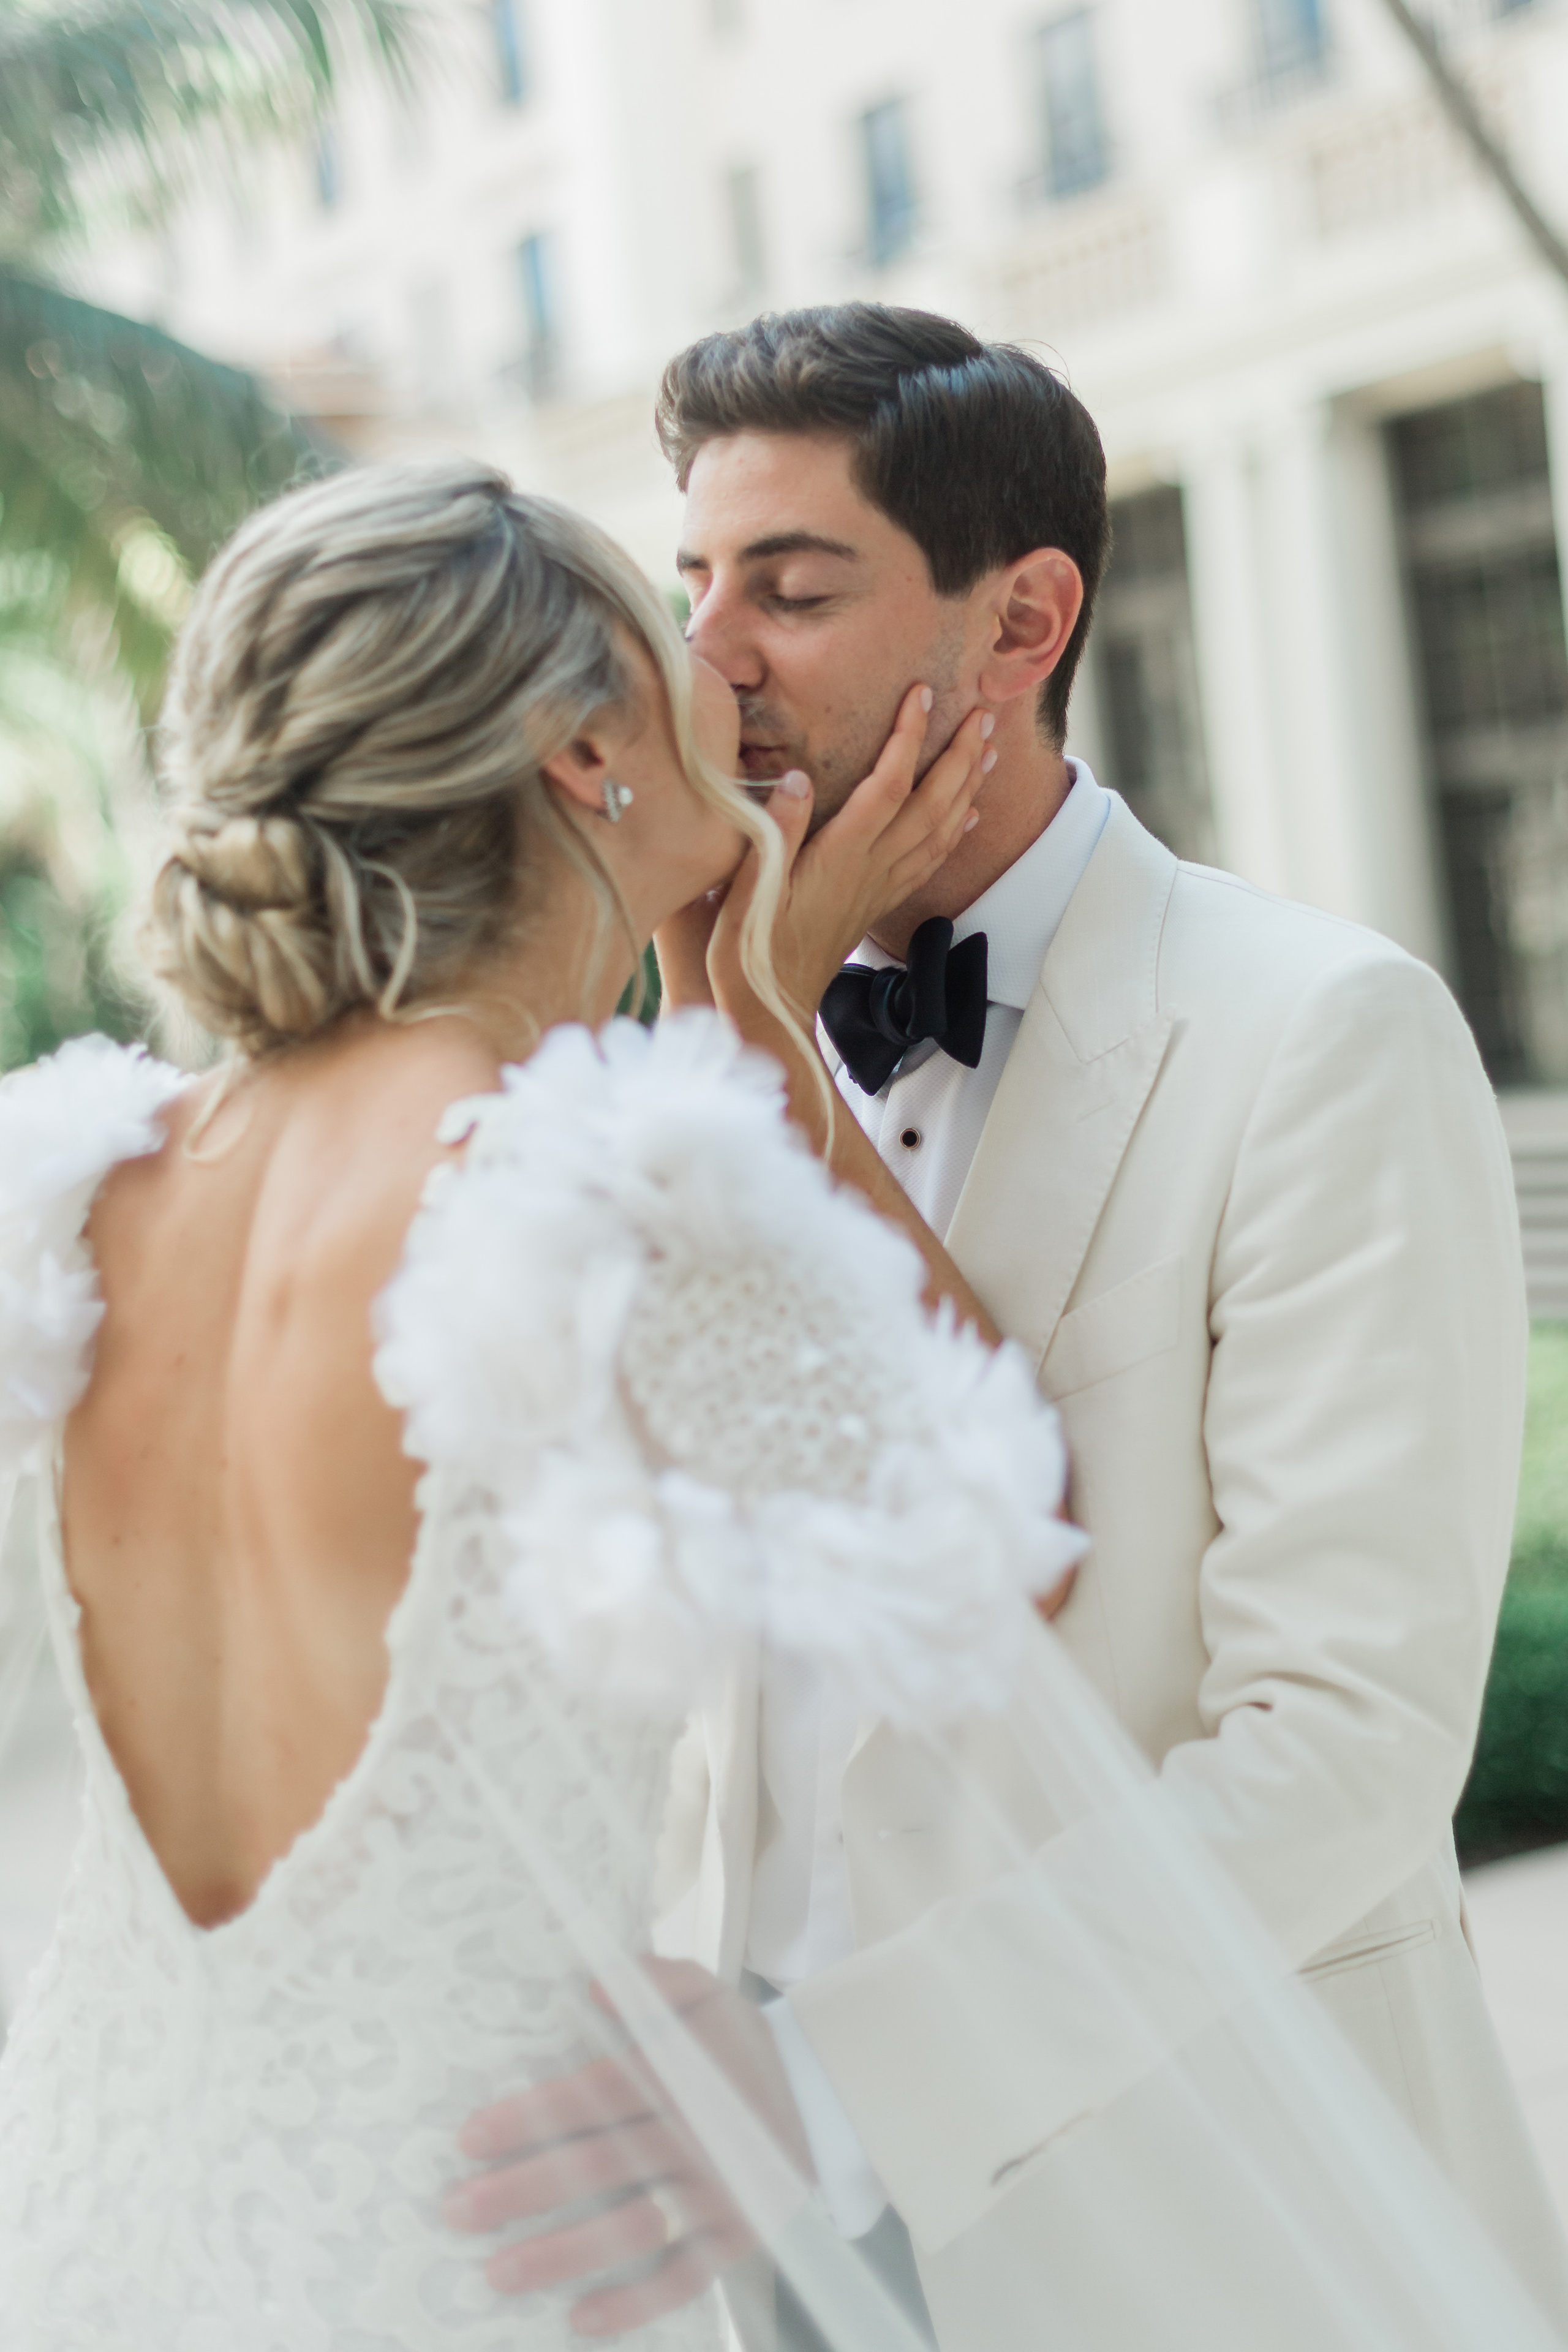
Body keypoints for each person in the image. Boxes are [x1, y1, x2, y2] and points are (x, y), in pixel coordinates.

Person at [456, 306, 1568, 2349]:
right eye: (693, 583)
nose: (710, 660)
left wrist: (837, 2089)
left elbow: (1343, 1753)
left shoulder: (1316, 1032)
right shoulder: (694, 1033)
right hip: (751, 2245)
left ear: (1024, 618)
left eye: (793, 589)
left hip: (1198, 2216)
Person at [0, 456, 1073, 2346]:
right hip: (480, 2248)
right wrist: (746, 1000)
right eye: (677, 638)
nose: (726, 682)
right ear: (589, 756)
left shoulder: (86, 1195)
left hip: (110, 2223)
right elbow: (998, 1531)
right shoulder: (598, 1199)